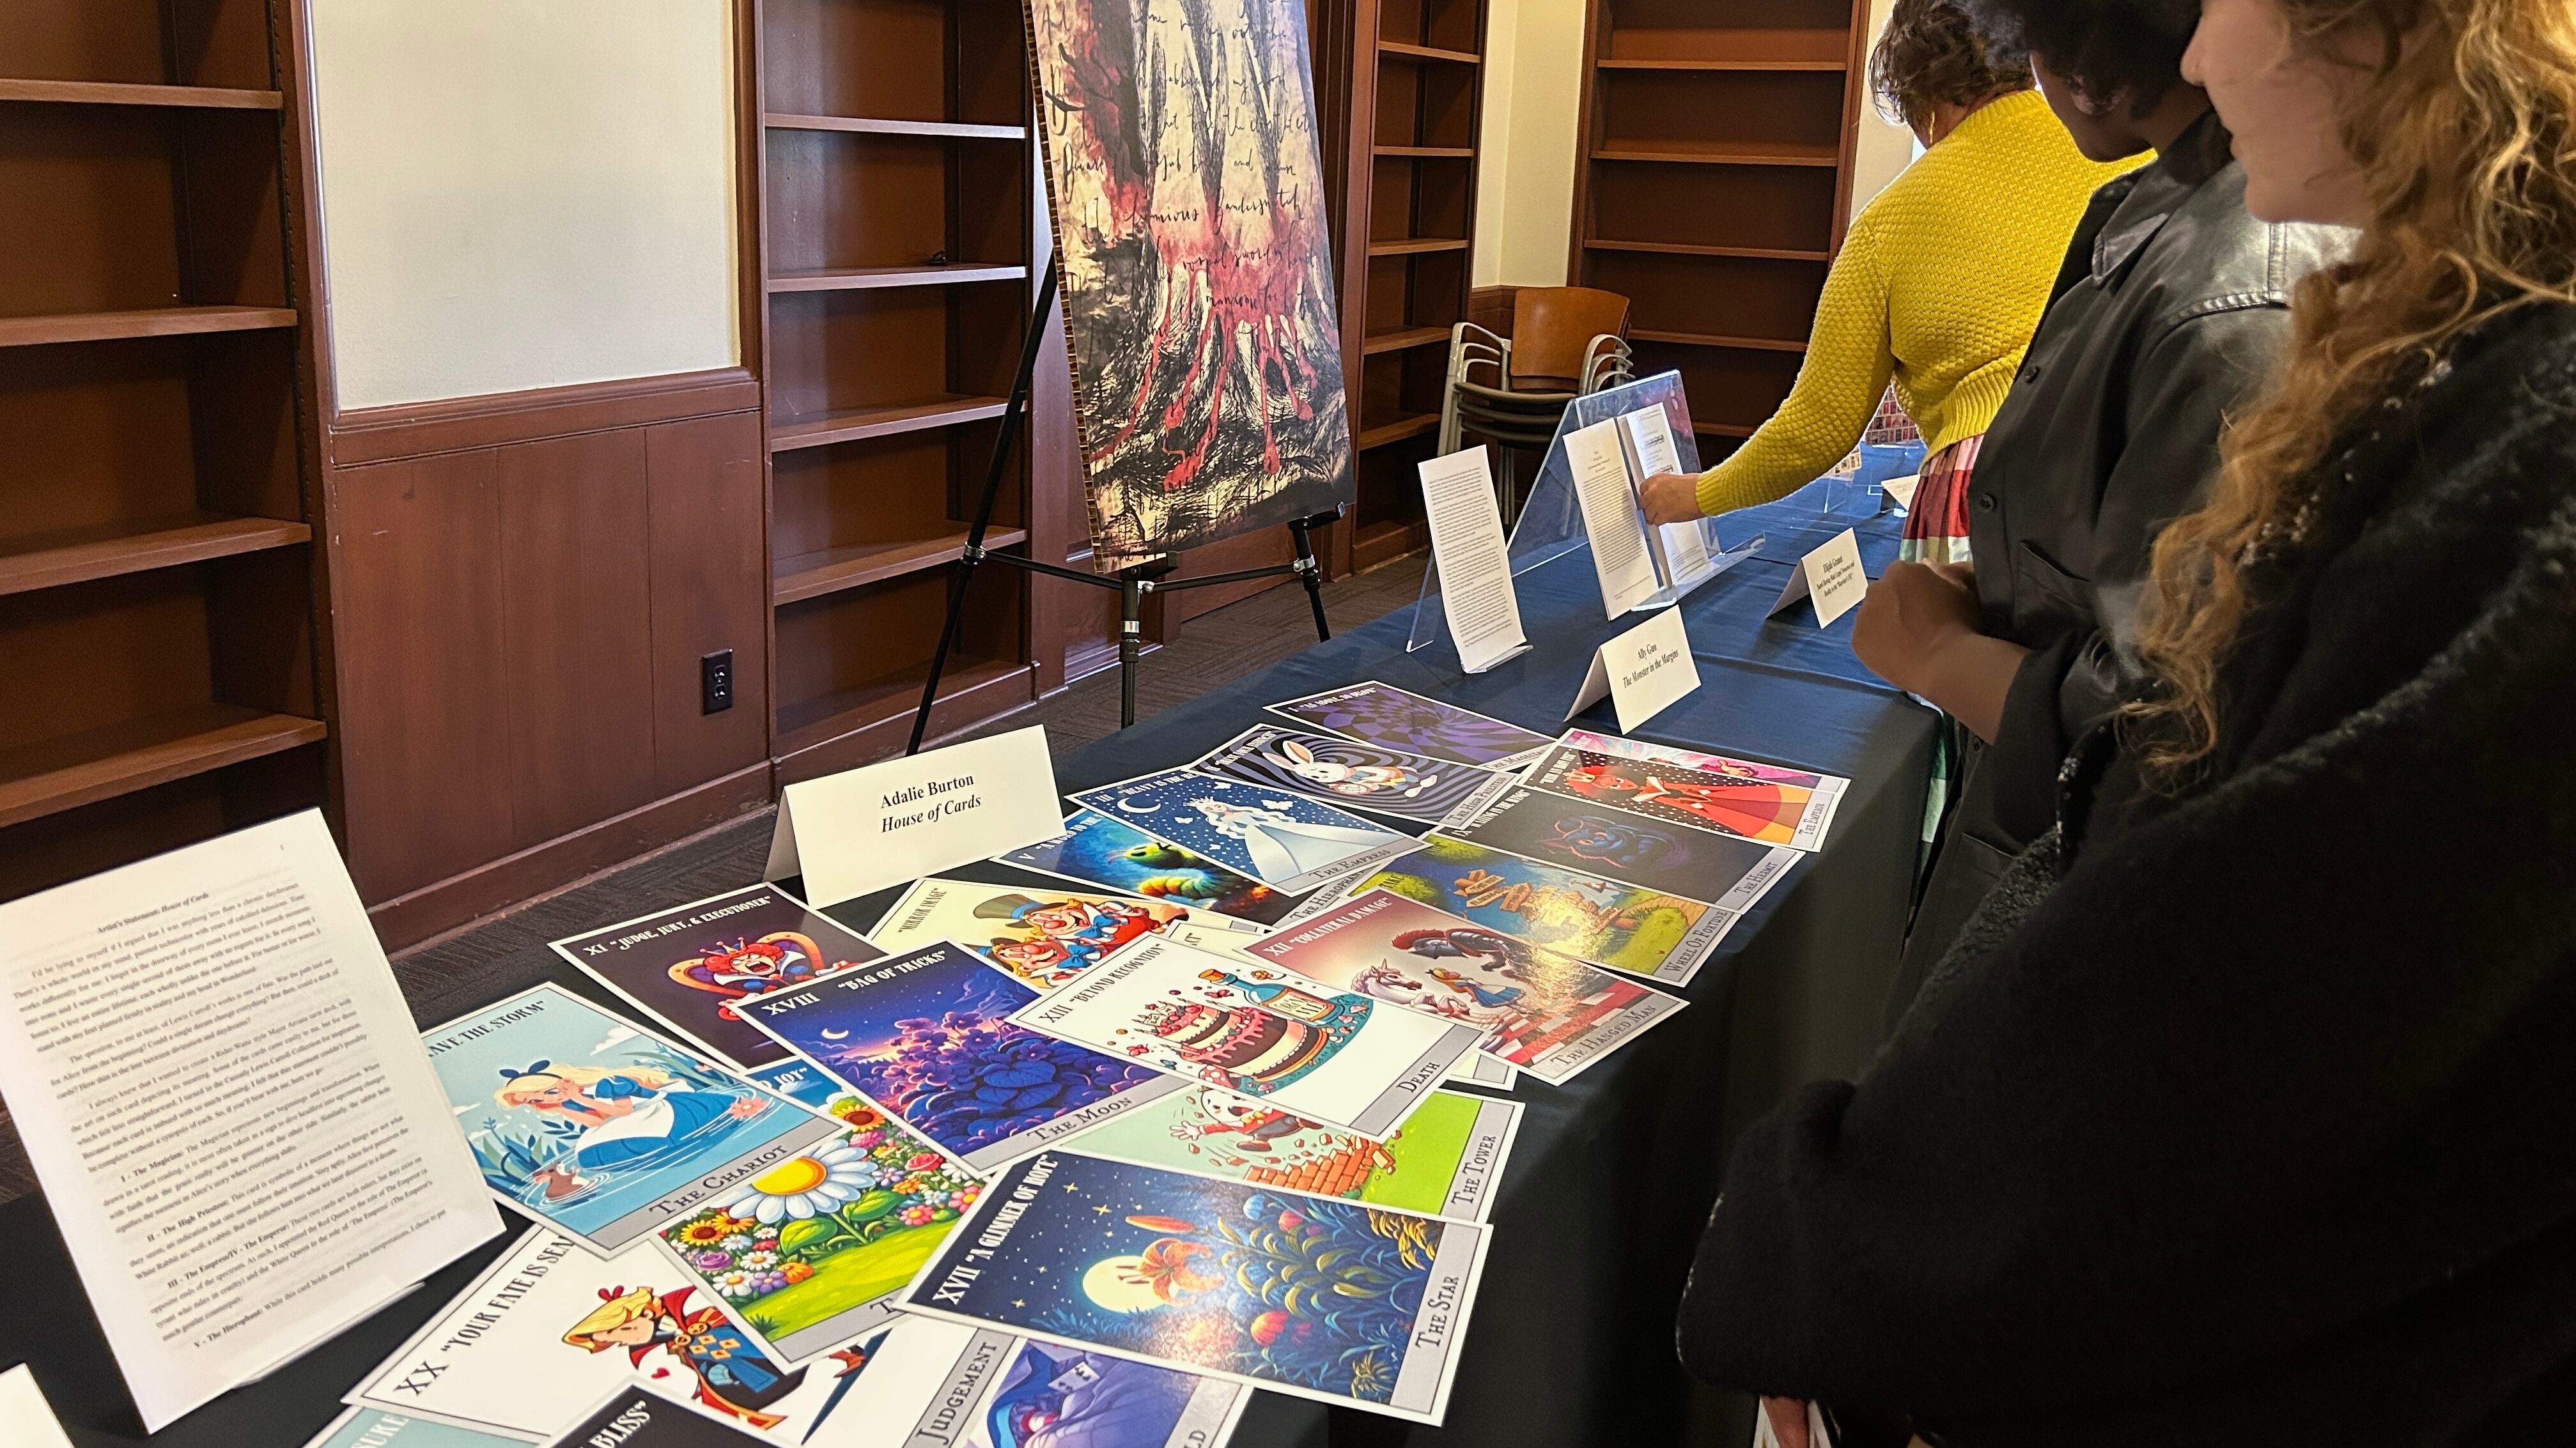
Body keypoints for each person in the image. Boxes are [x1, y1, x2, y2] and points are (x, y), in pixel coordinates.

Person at [1677, 1, 2576, 1444]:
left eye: (2226, 4)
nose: (2202, 56)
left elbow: (2227, 935)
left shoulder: (2495, 428)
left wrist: (1851, 1255)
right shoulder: (2437, 350)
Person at [1853, 0, 2348, 1020]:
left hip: (2085, 903)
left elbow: (2173, 722)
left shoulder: (2234, 292)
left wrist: (1940, 653)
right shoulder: (2160, 208)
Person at [1638, 0, 2136, 563]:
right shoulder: (2124, 165)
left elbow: (1817, 427)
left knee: (1931, 622)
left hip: (1986, 494)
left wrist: (1697, 494)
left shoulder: (1893, 218)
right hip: (2135, 464)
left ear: (1917, 89)